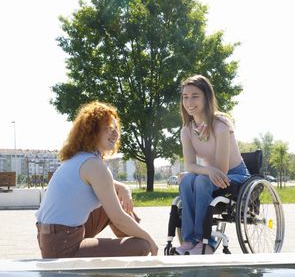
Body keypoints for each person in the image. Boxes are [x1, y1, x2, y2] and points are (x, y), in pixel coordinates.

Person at [36, 101, 158, 258]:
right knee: (142, 245)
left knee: (114, 203)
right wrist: (151, 241)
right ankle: (129, 248)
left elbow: (105, 186)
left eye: (116, 129)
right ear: (92, 131)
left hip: (51, 238)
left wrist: (123, 188)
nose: (115, 133)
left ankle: (129, 240)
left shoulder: (79, 159)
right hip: (63, 246)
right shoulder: (94, 165)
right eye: (108, 128)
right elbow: (118, 218)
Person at [176, 75, 250, 255]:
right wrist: (206, 169)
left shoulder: (221, 125)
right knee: (187, 181)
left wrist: (206, 172)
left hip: (235, 175)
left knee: (200, 181)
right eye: (185, 97)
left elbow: (222, 170)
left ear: (206, 98)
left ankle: (206, 241)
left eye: (195, 96)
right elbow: (190, 165)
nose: (189, 101)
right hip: (210, 174)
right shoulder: (187, 130)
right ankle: (188, 240)